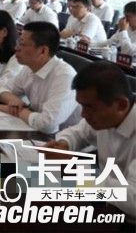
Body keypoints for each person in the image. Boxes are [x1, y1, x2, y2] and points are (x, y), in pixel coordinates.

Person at [44, 62, 134, 218]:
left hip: (124, 219)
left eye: (89, 107)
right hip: (102, 201)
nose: (83, 114)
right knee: (16, 183)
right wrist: (64, 144)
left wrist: (80, 172)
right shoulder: (105, 117)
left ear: (121, 105)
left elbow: (133, 198)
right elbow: (78, 133)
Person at [0, 22, 82, 134]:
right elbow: (2, 89)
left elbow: (48, 124)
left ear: (43, 51)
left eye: (22, 44)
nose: (16, 48)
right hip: (37, 130)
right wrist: (13, 100)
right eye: (18, 42)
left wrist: (17, 111)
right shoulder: (29, 67)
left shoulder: (65, 76)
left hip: (63, 138)